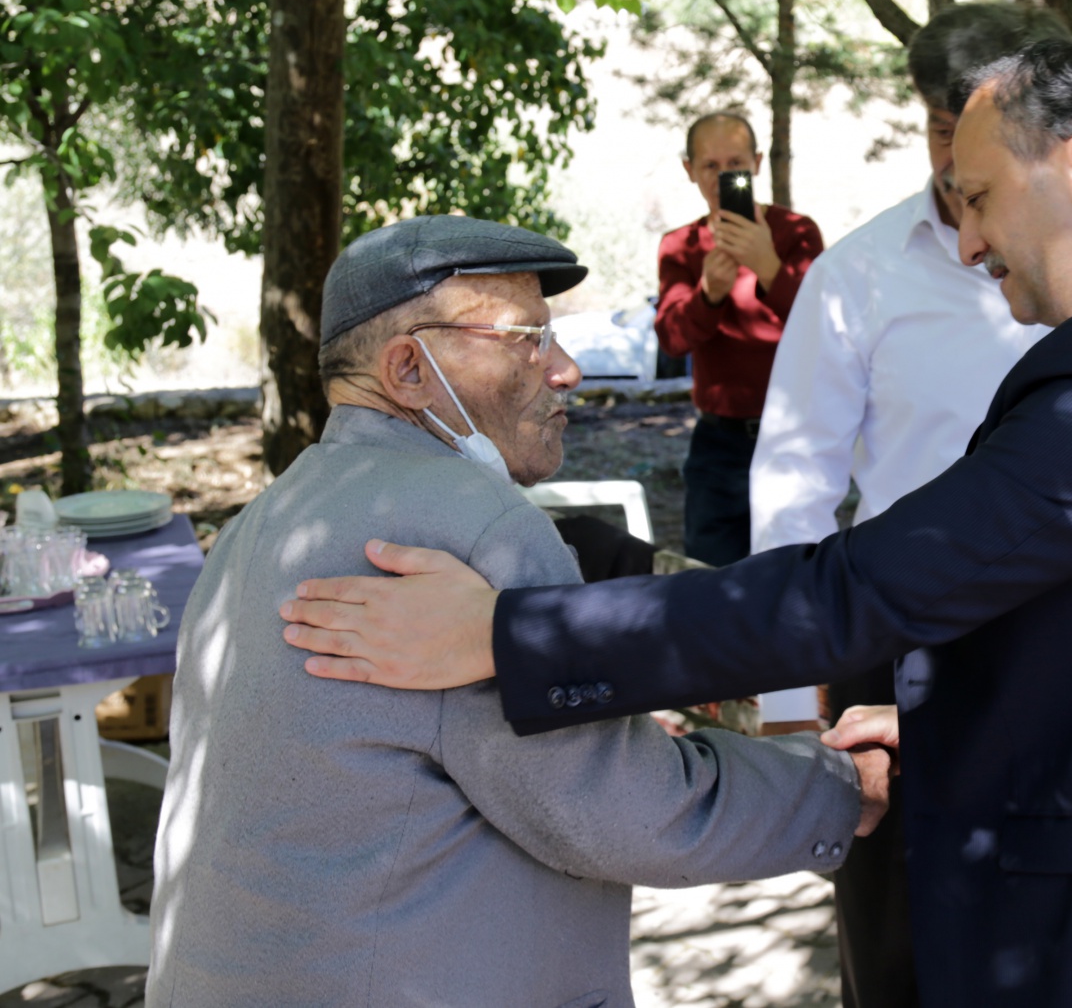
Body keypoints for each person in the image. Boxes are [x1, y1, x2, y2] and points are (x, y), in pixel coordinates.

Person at [280, 42, 1072, 1007]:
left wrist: (505, 636)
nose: (970, 242)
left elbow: (862, 586)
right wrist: (949, 703)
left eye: (977, 198)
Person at [147, 215, 888, 1007]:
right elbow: (629, 810)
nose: (566, 369)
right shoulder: (477, 527)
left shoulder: (256, 525)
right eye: (527, 339)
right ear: (409, 368)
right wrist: (840, 783)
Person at [750, 0, 1061, 1008]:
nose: (955, 157)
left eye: (976, 130)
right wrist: (789, 703)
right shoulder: (859, 274)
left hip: (1064, 647)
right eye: (937, 128)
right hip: (896, 650)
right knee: (895, 946)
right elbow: (793, 482)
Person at [656, 111, 825, 566]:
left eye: (735, 163)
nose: (722, 176)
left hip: (793, 432)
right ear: (689, 169)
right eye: (710, 165)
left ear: (757, 163)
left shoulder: (796, 232)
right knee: (710, 574)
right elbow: (672, 340)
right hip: (719, 442)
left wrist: (767, 265)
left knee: (794, 570)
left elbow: (826, 327)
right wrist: (708, 294)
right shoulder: (681, 245)